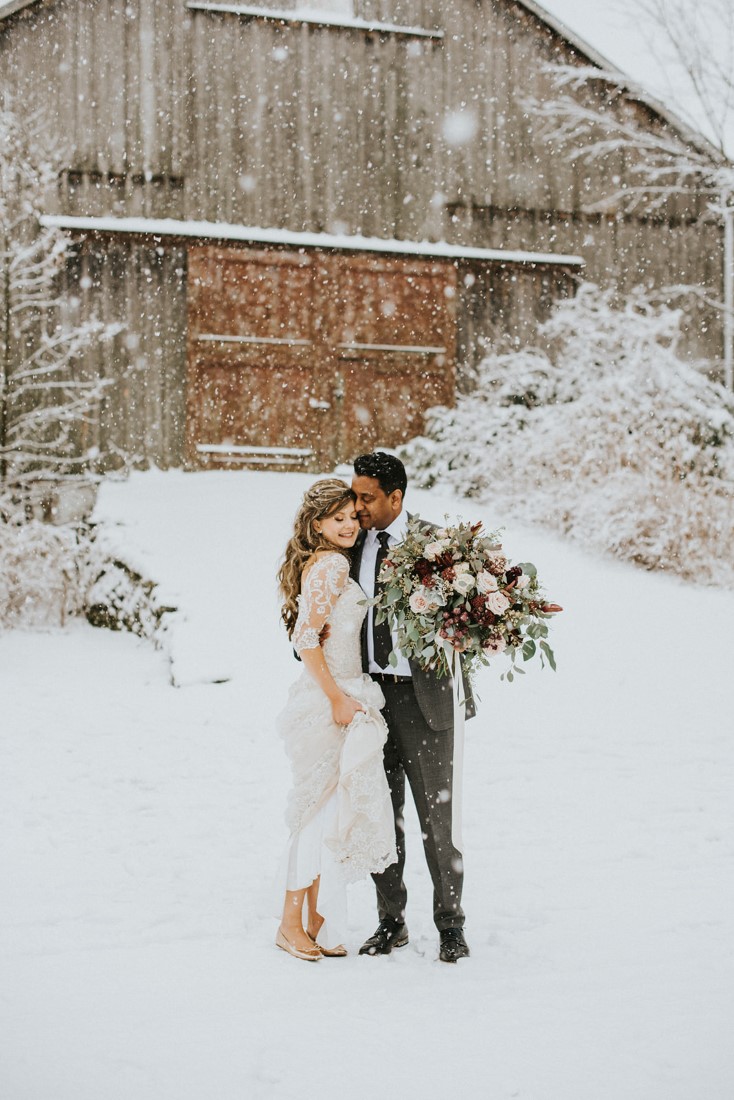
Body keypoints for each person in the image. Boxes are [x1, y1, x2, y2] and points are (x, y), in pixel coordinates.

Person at [351, 452, 474, 964]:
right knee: (382, 816)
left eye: (367, 498)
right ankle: (391, 921)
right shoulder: (347, 540)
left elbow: (467, 622)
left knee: (436, 820)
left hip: (424, 702)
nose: (357, 507)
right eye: (354, 495)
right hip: (368, 700)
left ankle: (450, 925)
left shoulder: (437, 546)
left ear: (395, 498)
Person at [274, 479, 397, 962]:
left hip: (345, 691)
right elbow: (306, 640)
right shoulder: (328, 565)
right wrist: (337, 699)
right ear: (317, 524)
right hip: (333, 700)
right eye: (338, 518)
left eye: (352, 516)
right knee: (315, 815)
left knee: (327, 813)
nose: (349, 525)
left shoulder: (328, 562)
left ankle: (317, 922)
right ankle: (290, 924)